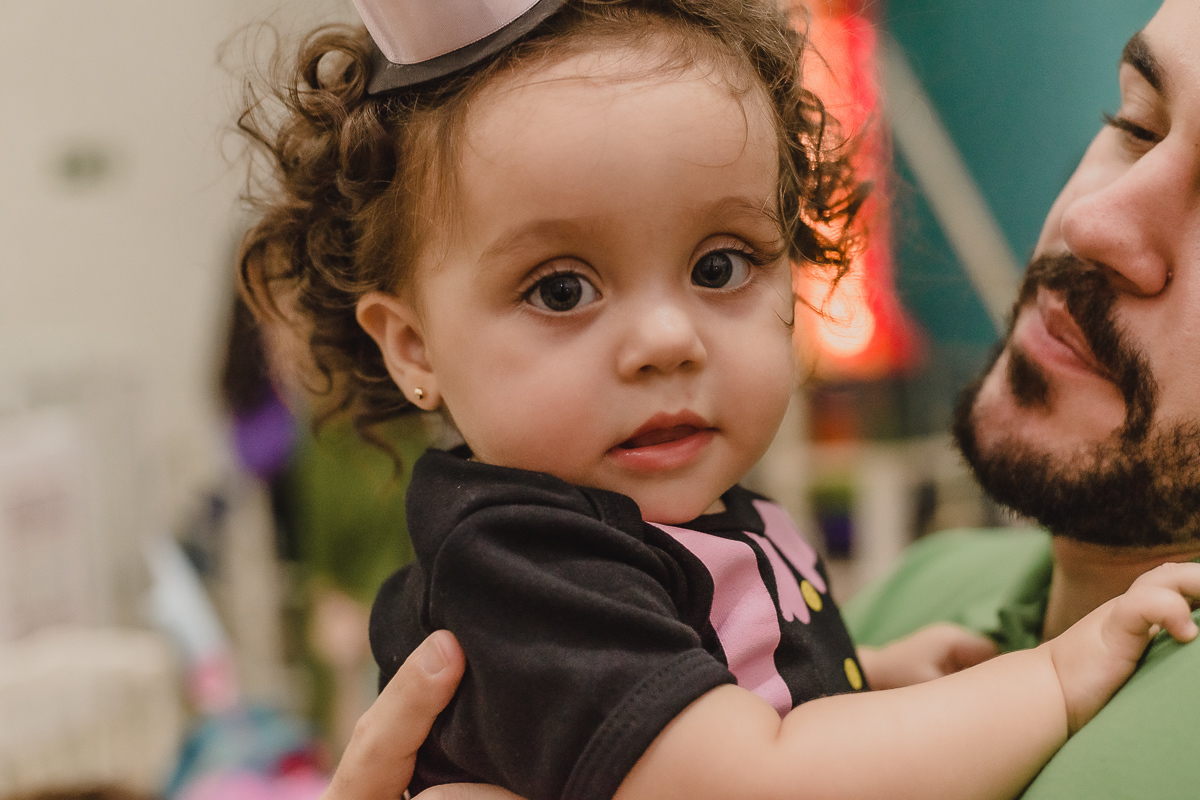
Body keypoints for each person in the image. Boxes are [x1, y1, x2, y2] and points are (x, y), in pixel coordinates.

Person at [238, 1, 1200, 799]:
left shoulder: (672, 522)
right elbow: (750, 779)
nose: (668, 341)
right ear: (413, 347)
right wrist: (1052, 680)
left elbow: (751, 704)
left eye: (720, 265)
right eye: (561, 289)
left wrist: (873, 678)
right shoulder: (521, 561)